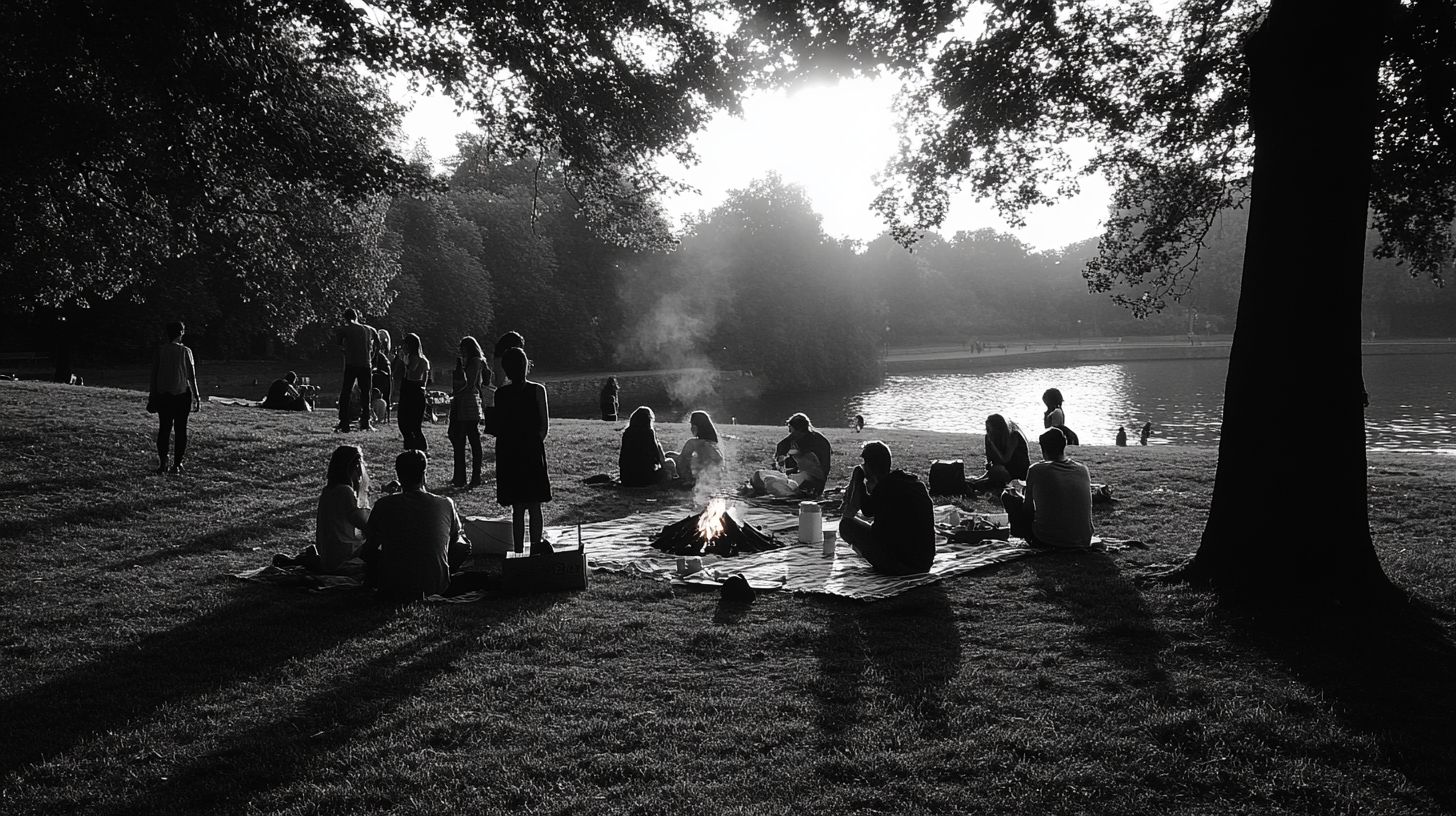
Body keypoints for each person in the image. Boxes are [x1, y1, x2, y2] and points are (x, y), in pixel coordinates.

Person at [363, 450, 472, 601]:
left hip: (391, 588)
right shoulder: (445, 503)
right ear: (424, 474)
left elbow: (369, 547)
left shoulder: (384, 505)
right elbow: (456, 542)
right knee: (463, 544)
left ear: (398, 474)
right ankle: (440, 574)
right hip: (436, 587)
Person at [839, 440, 936, 575]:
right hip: (923, 562)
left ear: (869, 466)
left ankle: (876, 558)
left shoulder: (886, 487)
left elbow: (866, 510)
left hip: (900, 564)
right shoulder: (912, 482)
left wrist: (858, 478)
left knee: (846, 525)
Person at [275, 445, 371, 573]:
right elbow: (367, 528)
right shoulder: (344, 491)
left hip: (329, 556)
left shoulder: (329, 490)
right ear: (355, 466)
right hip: (343, 557)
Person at [494, 346, 552, 553]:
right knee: (535, 505)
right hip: (531, 449)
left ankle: (518, 551)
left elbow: (498, 427)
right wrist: (533, 442)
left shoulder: (500, 394)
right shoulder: (537, 390)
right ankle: (536, 549)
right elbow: (544, 426)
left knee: (517, 507)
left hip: (509, 451)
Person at [1002, 428, 1094, 549]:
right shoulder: (1083, 469)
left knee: (1007, 496)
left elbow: (1028, 508)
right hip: (1084, 538)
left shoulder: (1036, 469)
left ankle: (1025, 534)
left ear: (1043, 449)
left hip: (1048, 539)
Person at [148, 321, 200, 475]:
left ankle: (163, 462)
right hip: (181, 394)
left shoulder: (160, 351)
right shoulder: (186, 351)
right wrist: (197, 396)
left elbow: (154, 375)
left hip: (163, 394)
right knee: (180, 430)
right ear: (182, 332)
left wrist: (153, 395)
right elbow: (191, 376)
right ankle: (177, 464)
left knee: (164, 429)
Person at [751, 413, 832, 497]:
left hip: (811, 481)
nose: (790, 432)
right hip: (795, 477)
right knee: (759, 474)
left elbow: (811, 467)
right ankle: (780, 490)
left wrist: (787, 462)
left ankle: (791, 493)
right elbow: (785, 463)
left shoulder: (816, 442)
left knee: (771, 482)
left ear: (799, 430)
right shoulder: (794, 440)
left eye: (791, 429)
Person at [448, 336, 487, 488]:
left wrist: (455, 393)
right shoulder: (468, 362)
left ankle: (475, 476)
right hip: (462, 401)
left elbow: (471, 384)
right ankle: (460, 476)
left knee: (472, 439)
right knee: (458, 438)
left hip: (470, 402)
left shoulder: (476, 361)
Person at [335, 308, 377, 432]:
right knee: (365, 393)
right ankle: (365, 421)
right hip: (366, 364)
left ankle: (344, 421)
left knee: (346, 392)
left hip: (351, 363)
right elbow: (378, 342)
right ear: (357, 316)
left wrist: (345, 350)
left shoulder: (344, 330)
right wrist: (372, 355)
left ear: (345, 318)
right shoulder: (370, 329)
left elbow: (339, 343)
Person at [967, 413, 1030, 494]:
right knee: (994, 471)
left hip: (1017, 468)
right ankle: (975, 484)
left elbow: (1005, 460)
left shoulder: (1013, 436)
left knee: (997, 470)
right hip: (1002, 467)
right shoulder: (989, 436)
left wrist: (993, 445)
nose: (988, 432)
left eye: (990, 429)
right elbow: (990, 461)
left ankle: (978, 484)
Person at [665, 410, 724, 486]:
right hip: (713, 477)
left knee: (669, 456)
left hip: (698, 478)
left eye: (691, 425)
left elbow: (682, 460)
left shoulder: (693, 443)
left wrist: (670, 458)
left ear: (695, 427)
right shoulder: (714, 444)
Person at [395, 332, 431, 452]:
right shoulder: (421, 360)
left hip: (413, 392)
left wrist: (404, 360)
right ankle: (412, 447)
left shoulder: (416, 359)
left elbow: (412, 370)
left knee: (412, 425)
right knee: (406, 423)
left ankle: (420, 448)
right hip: (412, 392)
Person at [618, 406, 670, 487]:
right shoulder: (649, 433)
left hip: (626, 478)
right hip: (645, 479)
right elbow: (658, 458)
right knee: (667, 468)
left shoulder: (627, 433)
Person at [372, 329, 393, 423]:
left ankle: (384, 416)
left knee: (386, 396)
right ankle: (379, 416)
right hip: (381, 376)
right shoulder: (379, 356)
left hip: (383, 376)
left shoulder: (382, 356)